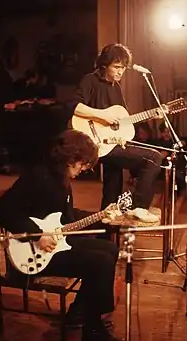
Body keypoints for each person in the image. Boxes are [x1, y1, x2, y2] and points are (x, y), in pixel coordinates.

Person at [0, 129, 125, 341]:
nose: (83, 170)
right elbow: (3, 209)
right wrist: (36, 236)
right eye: (82, 164)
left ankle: (79, 314)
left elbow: (68, 217)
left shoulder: (61, 179)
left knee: (109, 249)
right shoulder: (38, 177)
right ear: (70, 158)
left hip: (55, 242)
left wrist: (102, 216)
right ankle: (94, 332)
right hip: (33, 252)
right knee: (99, 263)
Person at [73, 43, 162, 223]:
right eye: (117, 67)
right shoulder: (90, 80)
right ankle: (139, 206)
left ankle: (107, 240)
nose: (120, 72)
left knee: (112, 190)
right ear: (105, 64)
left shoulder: (116, 88)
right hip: (92, 142)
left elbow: (122, 121)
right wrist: (102, 114)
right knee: (154, 158)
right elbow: (74, 107)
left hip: (110, 143)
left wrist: (154, 114)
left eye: (123, 68)